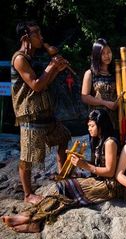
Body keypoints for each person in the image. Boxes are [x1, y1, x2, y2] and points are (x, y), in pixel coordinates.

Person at [1, 109, 119, 233]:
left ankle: (35, 220)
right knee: (58, 187)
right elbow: (97, 164)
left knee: (63, 188)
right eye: (88, 126)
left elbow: (110, 172)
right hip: (97, 179)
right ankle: (31, 215)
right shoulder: (99, 140)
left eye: (92, 126)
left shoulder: (110, 142)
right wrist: (79, 162)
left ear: (101, 125)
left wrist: (84, 166)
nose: (89, 129)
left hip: (107, 185)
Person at [11, 21, 71, 204]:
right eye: (36, 33)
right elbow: (35, 85)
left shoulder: (33, 57)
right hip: (30, 114)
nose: (41, 37)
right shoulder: (19, 58)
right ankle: (28, 194)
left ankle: (63, 176)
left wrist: (56, 70)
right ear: (25, 38)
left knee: (63, 137)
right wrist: (52, 66)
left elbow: (44, 82)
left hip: (45, 112)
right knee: (27, 157)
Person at [81, 38, 119, 137]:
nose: (107, 56)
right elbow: (84, 97)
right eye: (103, 53)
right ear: (97, 55)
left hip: (115, 119)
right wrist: (105, 103)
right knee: (99, 149)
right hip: (98, 119)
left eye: (109, 52)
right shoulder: (90, 73)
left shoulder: (116, 73)